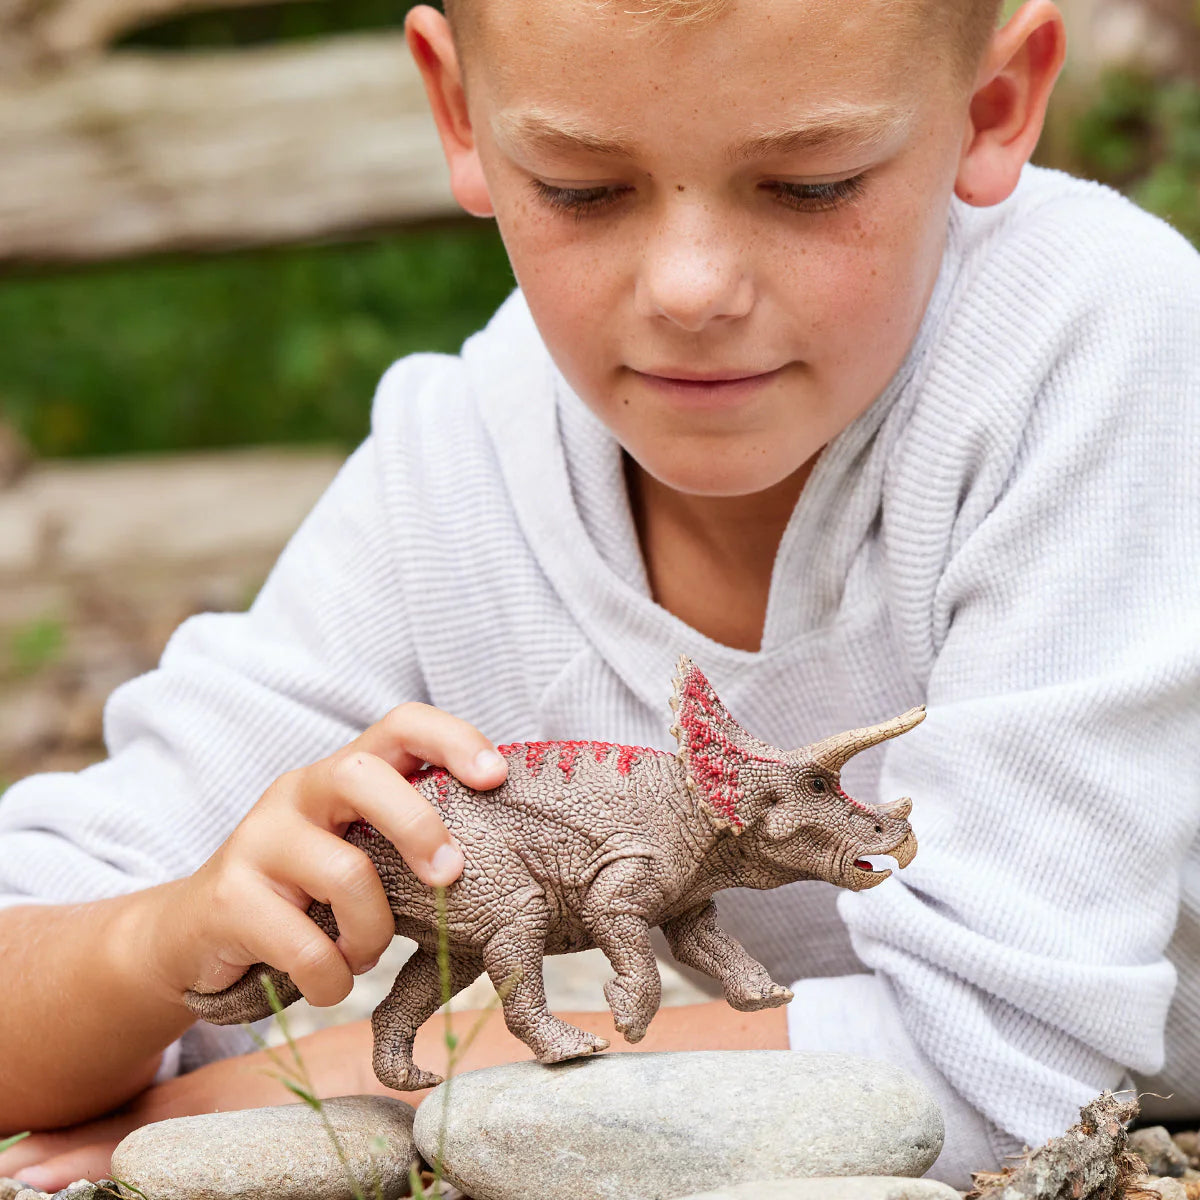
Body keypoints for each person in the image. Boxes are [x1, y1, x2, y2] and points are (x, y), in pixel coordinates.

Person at [2, 0, 1198, 1190]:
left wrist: (305, 1096)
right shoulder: (461, 472)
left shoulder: (1095, 347)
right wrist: (156, 945)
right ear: (459, 113)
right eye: (582, 188)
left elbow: (1017, 1078)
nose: (689, 288)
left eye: (814, 183)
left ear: (995, 106)